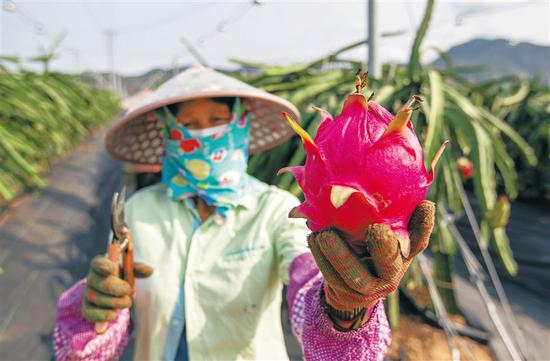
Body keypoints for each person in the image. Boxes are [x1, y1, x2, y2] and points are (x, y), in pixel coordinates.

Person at [53, 66, 435, 361]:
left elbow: (306, 283)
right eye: (189, 124)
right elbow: (113, 312)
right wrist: (98, 311)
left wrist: (341, 306)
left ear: (240, 125)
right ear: (169, 133)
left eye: (216, 120)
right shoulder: (138, 210)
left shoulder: (274, 209)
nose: (204, 135)